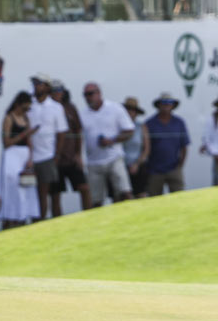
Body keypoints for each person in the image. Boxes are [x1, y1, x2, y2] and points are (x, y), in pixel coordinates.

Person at [79, 82, 136, 204]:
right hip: (93, 162)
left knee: (124, 192)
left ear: (99, 93)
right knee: (96, 200)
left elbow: (129, 131)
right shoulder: (82, 114)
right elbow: (78, 138)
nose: (88, 97)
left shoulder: (115, 108)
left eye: (90, 94)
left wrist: (112, 140)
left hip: (114, 158)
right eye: (85, 95)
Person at [27, 74, 69, 219]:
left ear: (46, 87)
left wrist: (57, 155)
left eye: (39, 83)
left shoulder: (56, 107)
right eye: (34, 83)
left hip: (47, 156)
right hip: (28, 157)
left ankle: (40, 222)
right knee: (31, 193)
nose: (35, 86)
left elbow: (61, 133)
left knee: (43, 193)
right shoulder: (28, 104)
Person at [0, 92, 40, 227]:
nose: (26, 111)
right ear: (17, 105)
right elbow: (6, 142)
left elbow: (29, 141)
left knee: (25, 188)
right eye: (24, 108)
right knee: (12, 188)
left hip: (24, 155)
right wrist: (24, 134)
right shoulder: (9, 118)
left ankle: (23, 217)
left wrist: (30, 158)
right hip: (12, 155)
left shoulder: (26, 118)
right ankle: (10, 218)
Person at [49, 82, 91, 215]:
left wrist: (78, 154)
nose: (57, 93)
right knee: (55, 194)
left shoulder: (70, 108)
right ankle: (57, 223)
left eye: (59, 90)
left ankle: (89, 217)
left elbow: (78, 131)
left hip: (71, 158)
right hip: (55, 159)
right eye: (54, 91)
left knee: (84, 188)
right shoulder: (47, 109)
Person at [145, 93, 189, 196]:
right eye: (163, 102)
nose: (166, 105)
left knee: (180, 198)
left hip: (174, 168)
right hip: (154, 170)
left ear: (173, 105)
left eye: (169, 103)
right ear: (159, 105)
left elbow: (184, 146)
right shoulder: (149, 123)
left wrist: (180, 165)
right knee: (153, 200)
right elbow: (145, 148)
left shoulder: (179, 122)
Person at [121, 97, 150, 198]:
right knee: (123, 197)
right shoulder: (118, 127)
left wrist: (137, 164)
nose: (129, 112)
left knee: (141, 195)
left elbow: (146, 149)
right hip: (121, 166)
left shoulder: (141, 127)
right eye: (127, 109)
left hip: (139, 166)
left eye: (132, 110)